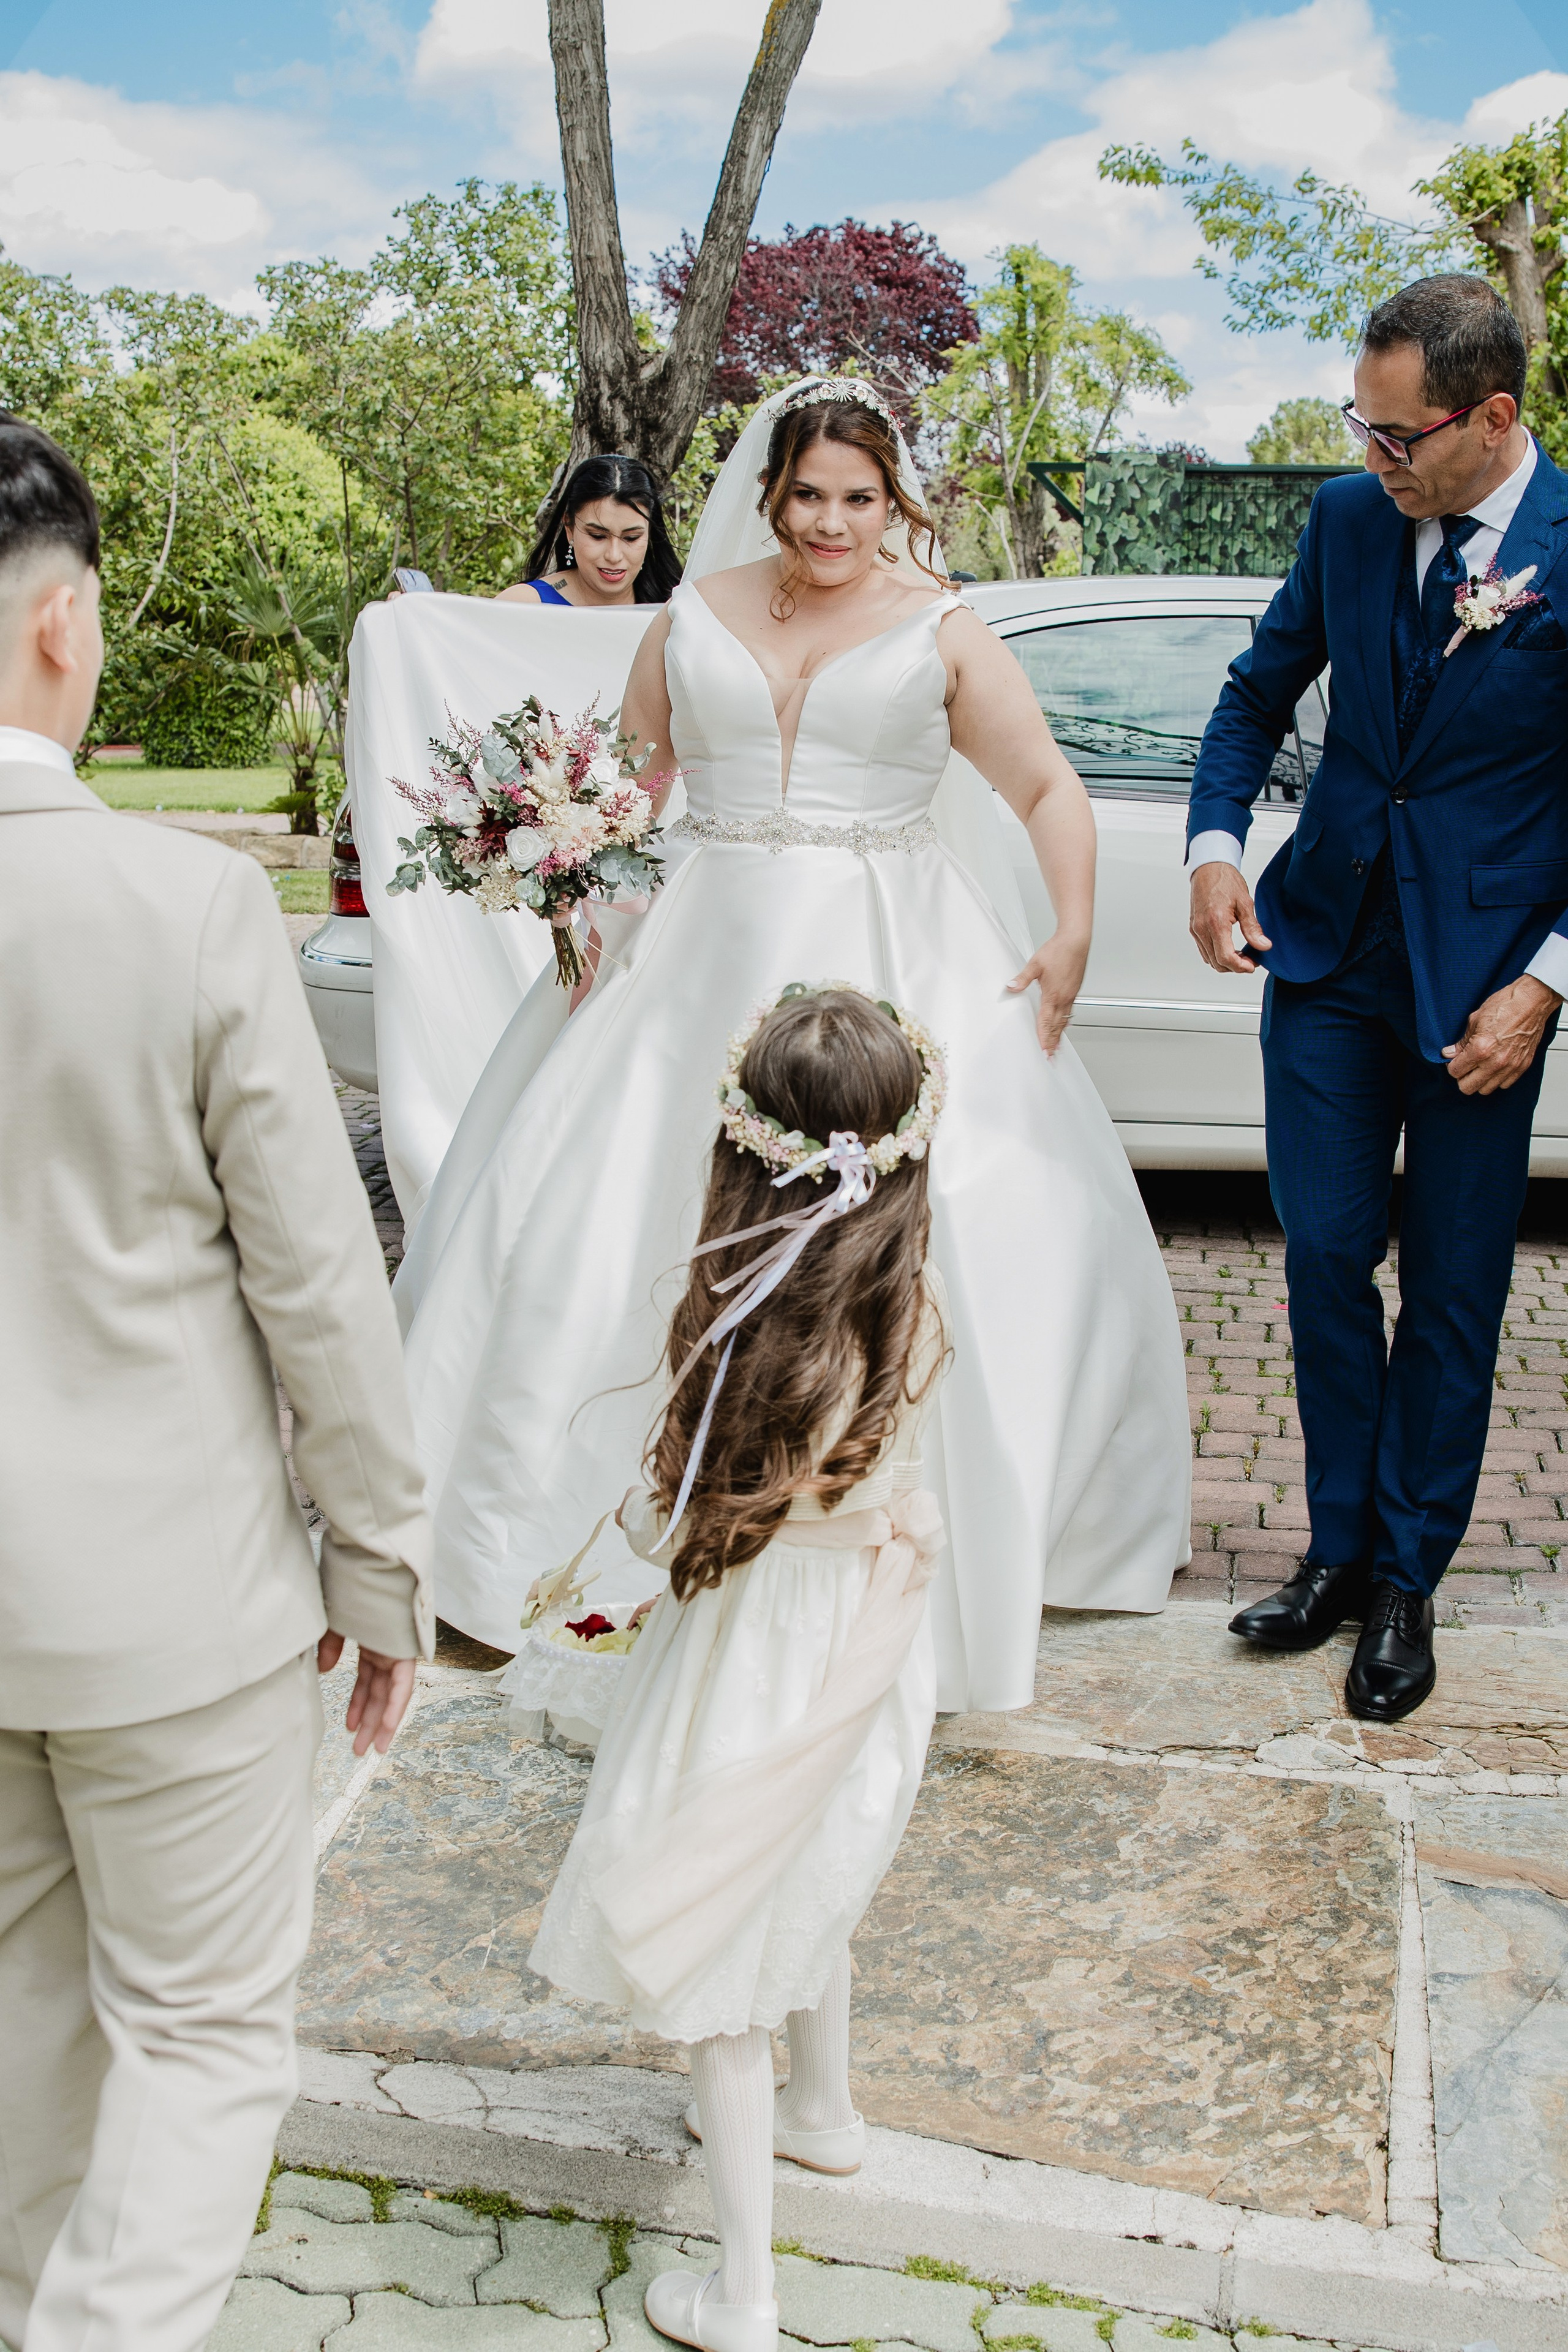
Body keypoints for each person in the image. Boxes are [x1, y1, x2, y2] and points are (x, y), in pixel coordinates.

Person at [394, 375, 1191, 1715]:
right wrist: (566, 861)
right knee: (588, 1216)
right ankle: (525, 1544)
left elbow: (1044, 785)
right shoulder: (691, 613)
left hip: (890, 950)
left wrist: (1069, 933)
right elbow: (630, 783)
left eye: (860, 500)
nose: (832, 524)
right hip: (689, 947)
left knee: (941, 1229)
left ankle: (904, 1548)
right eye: (808, 495)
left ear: (897, 502)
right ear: (768, 493)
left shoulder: (941, 627)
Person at [0, 413, 433, 2352]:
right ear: (64, 626)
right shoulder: (186, 912)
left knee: (22, 2036)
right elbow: (320, 1292)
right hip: (172, 1607)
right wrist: (382, 1568)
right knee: (198, 2038)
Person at [530, 987, 950, 2352]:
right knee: (802, 1888)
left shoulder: (752, 1334)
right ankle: (822, 2115)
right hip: (864, 1664)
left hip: (754, 1671)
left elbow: (686, 1523)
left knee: (714, 1943)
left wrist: (606, 1589)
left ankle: (744, 2298)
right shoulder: (906, 1307)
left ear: (740, 1157)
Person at [1186, 274, 1568, 1723]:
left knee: (1453, 1287)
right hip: (1325, 958)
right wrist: (1215, 847)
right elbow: (1252, 695)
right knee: (1320, 1259)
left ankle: (1408, 1576)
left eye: (1395, 434)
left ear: (1488, 420)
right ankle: (1333, 1551)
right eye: (1359, 420)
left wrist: (1540, 986)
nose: (1368, 455)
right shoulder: (1348, 521)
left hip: (1484, 991)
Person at [501, 452, 681, 608]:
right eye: (598, 536)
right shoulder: (523, 605)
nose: (614, 556)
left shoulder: (676, 609)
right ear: (569, 527)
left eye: (631, 538)